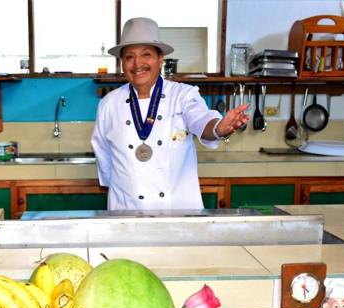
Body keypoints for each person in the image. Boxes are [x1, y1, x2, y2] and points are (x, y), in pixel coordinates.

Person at [91, 17, 249, 211]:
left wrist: (218, 128)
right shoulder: (108, 104)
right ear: (122, 63)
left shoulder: (183, 95)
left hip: (177, 212)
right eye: (129, 57)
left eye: (146, 54)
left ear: (160, 59)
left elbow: (201, 119)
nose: (138, 63)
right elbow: (103, 155)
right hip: (125, 211)